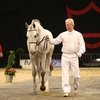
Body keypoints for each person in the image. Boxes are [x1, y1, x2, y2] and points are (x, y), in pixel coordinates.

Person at [48, 18, 86, 97]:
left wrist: (80, 53)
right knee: (65, 74)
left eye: (68, 25)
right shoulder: (63, 34)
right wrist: (49, 39)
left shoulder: (78, 34)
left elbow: (82, 46)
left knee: (76, 75)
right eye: (66, 25)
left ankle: (76, 86)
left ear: (73, 25)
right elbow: (55, 41)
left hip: (74, 56)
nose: (67, 26)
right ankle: (66, 91)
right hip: (65, 56)